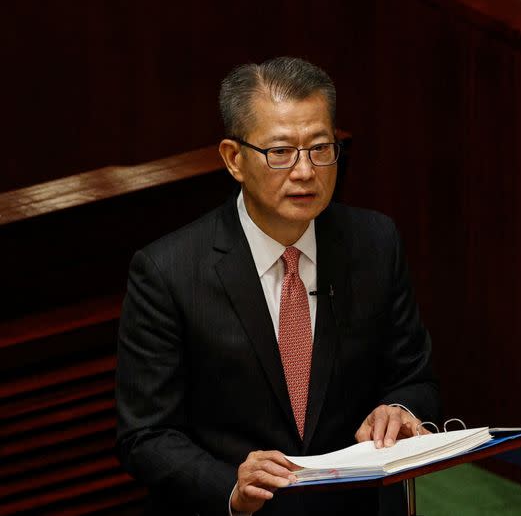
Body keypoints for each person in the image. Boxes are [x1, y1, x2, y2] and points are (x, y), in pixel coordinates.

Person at [115, 56, 440, 516]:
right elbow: (145, 435)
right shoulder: (168, 271)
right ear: (234, 159)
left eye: (320, 148)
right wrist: (230, 487)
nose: (305, 171)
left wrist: (401, 409)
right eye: (281, 152)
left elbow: (415, 377)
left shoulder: (374, 243)